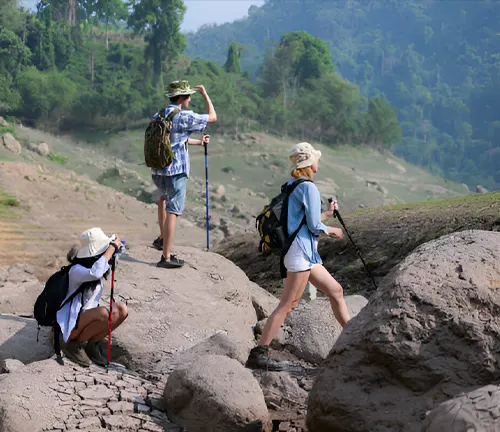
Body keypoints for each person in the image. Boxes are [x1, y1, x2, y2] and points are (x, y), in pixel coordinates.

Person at [245, 142, 351, 370]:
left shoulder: (293, 184)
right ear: (310, 162)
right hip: (301, 254)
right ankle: (259, 353)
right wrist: (333, 230)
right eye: (316, 158)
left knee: (336, 291)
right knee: (287, 304)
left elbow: (303, 220)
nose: (318, 162)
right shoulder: (309, 188)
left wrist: (328, 214)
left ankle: (353, 336)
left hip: (302, 254)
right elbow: (313, 226)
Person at [151, 80, 216, 268]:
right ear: (181, 98)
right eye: (188, 96)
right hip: (176, 171)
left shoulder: (160, 114)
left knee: (164, 199)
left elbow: (174, 140)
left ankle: (162, 239)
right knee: (174, 209)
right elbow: (212, 117)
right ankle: (166, 257)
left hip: (158, 169)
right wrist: (205, 94)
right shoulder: (183, 116)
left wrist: (198, 142)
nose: (189, 99)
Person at [56, 227, 129, 367]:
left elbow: (104, 266)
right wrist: (110, 249)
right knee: (103, 313)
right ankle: (73, 345)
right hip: (68, 327)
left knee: (122, 310)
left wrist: (116, 250)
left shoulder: (96, 266)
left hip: (83, 322)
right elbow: (95, 272)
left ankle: (92, 345)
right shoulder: (76, 271)